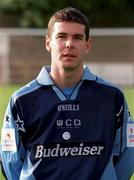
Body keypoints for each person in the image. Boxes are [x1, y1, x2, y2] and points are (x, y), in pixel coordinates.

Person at [0, 7, 134, 180]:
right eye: (61, 36)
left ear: (88, 44)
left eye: (77, 37)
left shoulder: (112, 97)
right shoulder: (22, 100)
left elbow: (127, 155)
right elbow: (10, 161)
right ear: (48, 43)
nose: (69, 44)